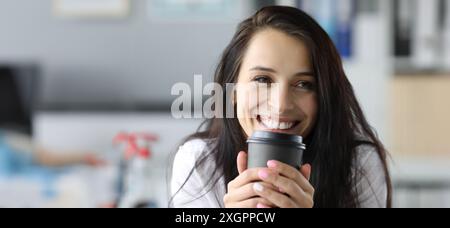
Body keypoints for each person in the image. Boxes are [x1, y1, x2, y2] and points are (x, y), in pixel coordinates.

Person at [170, 6, 391, 208]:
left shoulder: (358, 165)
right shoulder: (198, 162)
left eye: (304, 84)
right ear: (233, 90)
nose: (281, 105)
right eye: (262, 79)